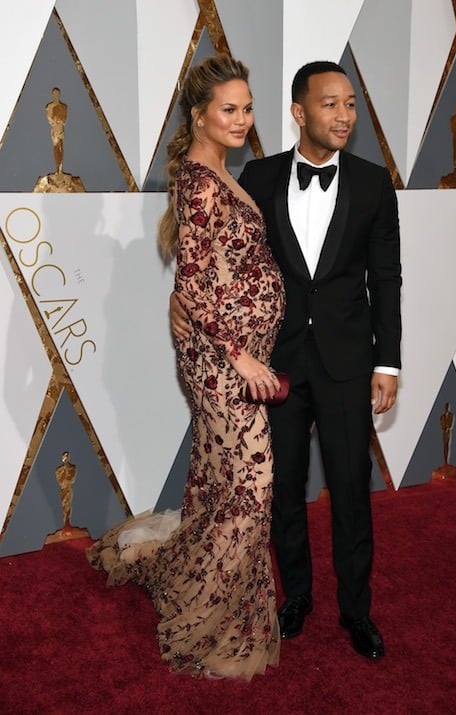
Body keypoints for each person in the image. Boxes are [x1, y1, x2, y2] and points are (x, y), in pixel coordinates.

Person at [172, 61, 402, 660]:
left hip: (350, 361)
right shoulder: (260, 174)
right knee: (282, 490)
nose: (345, 115)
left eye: (351, 103)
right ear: (300, 112)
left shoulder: (376, 185)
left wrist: (389, 362)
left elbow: (387, 279)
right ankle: (294, 596)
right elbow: (219, 258)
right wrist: (182, 299)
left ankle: (357, 609)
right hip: (275, 364)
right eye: (331, 104)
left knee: (352, 489)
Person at [87, 54, 285, 681]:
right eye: (229, 109)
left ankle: (205, 594)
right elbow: (195, 287)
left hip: (228, 356)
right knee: (251, 491)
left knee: (223, 487)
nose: (242, 119)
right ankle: (200, 621)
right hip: (225, 362)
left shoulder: (217, 173)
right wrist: (243, 353)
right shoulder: (200, 181)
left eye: (247, 108)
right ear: (199, 116)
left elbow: (207, 277)